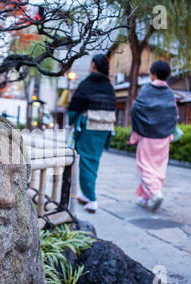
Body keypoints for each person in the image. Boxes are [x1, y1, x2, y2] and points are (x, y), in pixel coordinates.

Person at [67, 54, 116, 213]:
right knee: (93, 162)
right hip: (105, 128)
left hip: (89, 126)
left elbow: (75, 106)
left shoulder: (87, 83)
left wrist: (72, 120)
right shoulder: (109, 86)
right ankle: (87, 196)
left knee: (86, 161)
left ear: (93, 64)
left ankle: (92, 199)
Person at [128, 60, 178, 212]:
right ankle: (145, 199)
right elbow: (173, 114)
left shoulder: (147, 89)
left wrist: (139, 129)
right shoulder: (170, 93)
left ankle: (155, 194)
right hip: (164, 138)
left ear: (154, 74)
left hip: (147, 136)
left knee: (145, 167)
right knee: (158, 168)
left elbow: (135, 110)